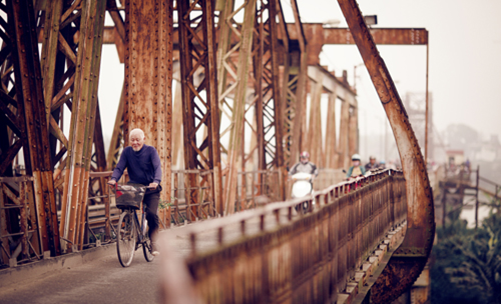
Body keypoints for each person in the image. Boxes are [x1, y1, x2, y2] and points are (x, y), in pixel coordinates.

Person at [108, 128, 162, 256]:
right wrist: (113, 179)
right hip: (135, 187)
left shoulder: (151, 151)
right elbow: (120, 167)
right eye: (132, 140)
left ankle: (154, 242)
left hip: (150, 188)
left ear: (143, 139)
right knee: (125, 205)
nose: (135, 142)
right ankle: (131, 231)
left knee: (151, 214)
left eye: (138, 139)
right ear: (129, 141)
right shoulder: (127, 152)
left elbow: (157, 168)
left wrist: (156, 181)